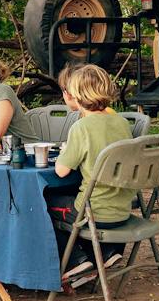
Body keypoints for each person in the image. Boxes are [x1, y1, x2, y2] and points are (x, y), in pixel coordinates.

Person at [53, 64, 136, 286]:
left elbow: (61, 171)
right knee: (80, 201)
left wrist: (64, 152)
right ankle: (107, 252)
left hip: (95, 212)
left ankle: (75, 261)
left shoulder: (81, 127)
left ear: (77, 95)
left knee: (45, 203)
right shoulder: (121, 122)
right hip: (122, 209)